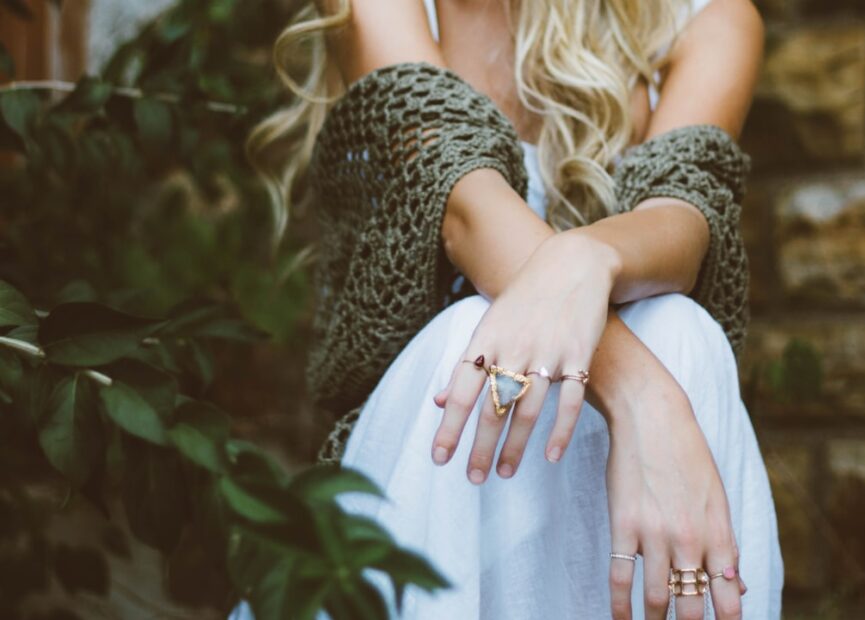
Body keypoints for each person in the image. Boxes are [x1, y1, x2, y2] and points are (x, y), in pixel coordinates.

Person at [234, 0, 784, 618]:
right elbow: (464, 210)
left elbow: (683, 221)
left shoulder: (705, 17)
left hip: (594, 477)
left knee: (680, 329)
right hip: (445, 451)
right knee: (473, 328)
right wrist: (643, 398)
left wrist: (583, 259)